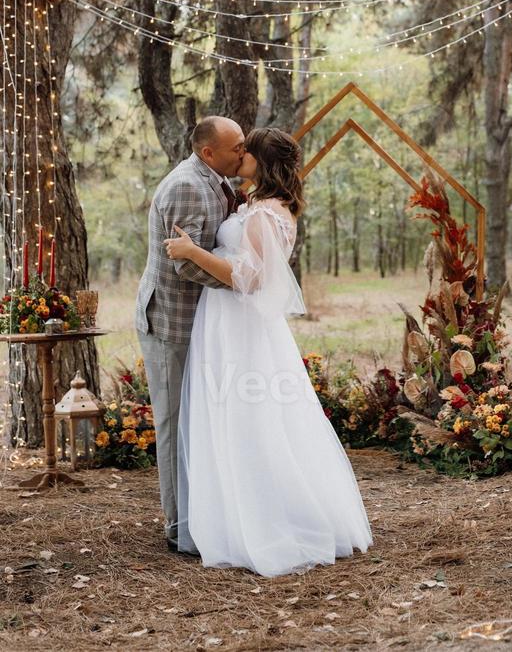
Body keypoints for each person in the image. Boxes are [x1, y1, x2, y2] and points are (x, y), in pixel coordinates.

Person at [165, 126, 373, 577]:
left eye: (246, 151)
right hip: (232, 323)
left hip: (238, 323)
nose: (239, 155)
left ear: (260, 161)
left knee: (247, 417)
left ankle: (261, 521)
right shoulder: (262, 205)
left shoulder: (263, 214)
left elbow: (251, 278)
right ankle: (236, 513)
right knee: (249, 416)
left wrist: (192, 251)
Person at [136, 116, 245, 552]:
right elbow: (184, 261)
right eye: (236, 145)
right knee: (174, 423)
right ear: (208, 152)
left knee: (199, 423)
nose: (244, 150)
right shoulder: (186, 185)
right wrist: (241, 283)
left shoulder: (218, 180)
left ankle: (207, 515)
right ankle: (178, 527)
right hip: (171, 321)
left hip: (202, 325)